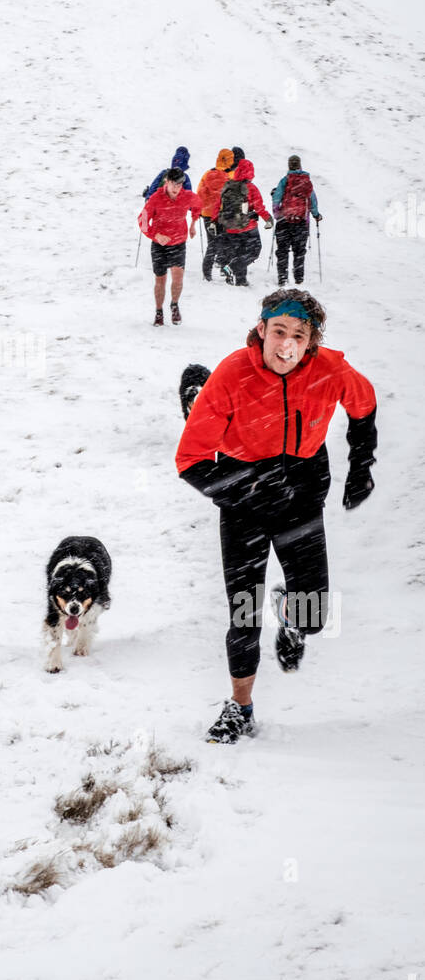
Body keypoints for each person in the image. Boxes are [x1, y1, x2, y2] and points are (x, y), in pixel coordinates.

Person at [174, 289, 377, 743]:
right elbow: (190, 458)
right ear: (261, 330)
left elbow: (363, 406)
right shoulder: (231, 374)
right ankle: (240, 707)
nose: (286, 344)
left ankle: (293, 617)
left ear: (311, 343)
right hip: (244, 503)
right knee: (244, 613)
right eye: (279, 331)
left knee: (313, 615)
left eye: (299, 335)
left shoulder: (332, 370)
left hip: (301, 496)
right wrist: (246, 489)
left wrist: (361, 464)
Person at [139, 167, 203, 325]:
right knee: (160, 279)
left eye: (179, 185)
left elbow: (199, 204)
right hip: (159, 244)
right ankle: (159, 311)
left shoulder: (186, 196)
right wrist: (155, 235)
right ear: (166, 182)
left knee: (178, 277)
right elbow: (143, 220)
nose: (176, 188)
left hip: (178, 242)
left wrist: (193, 223)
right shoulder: (155, 198)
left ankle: (174, 305)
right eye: (173, 184)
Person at [210, 158, 273, 286]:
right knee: (254, 251)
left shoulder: (228, 185)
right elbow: (259, 206)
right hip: (247, 227)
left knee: (238, 253)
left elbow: (218, 205)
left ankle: (240, 280)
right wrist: (268, 219)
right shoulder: (250, 188)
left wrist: (213, 221)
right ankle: (231, 269)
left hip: (230, 227)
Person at [271, 154, 322, 286]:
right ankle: (299, 278)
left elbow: (276, 199)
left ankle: (282, 277)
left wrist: (278, 215)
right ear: (300, 165)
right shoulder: (306, 183)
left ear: (289, 165)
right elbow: (312, 202)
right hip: (301, 222)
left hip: (284, 221)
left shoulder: (285, 180)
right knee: (299, 251)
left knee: (282, 251)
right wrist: (316, 215)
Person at [196, 149, 236, 280]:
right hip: (223, 213)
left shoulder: (208, 173)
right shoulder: (230, 176)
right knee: (226, 242)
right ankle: (225, 269)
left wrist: (202, 208)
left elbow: (199, 192)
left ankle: (207, 272)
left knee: (212, 243)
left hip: (207, 213)